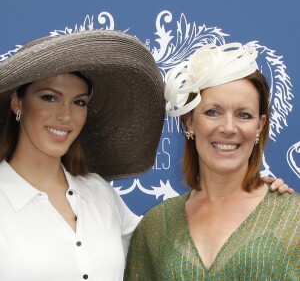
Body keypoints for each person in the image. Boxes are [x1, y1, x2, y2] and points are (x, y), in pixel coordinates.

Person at [124, 42, 300, 280]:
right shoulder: (155, 226)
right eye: (212, 112)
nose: (228, 128)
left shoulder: (293, 217)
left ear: (259, 125)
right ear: (190, 121)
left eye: (243, 115)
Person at [0, 30, 165, 280]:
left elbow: (161, 253)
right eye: (49, 98)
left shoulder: (99, 192)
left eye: (79, 102)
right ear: (17, 102)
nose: (65, 116)